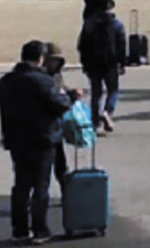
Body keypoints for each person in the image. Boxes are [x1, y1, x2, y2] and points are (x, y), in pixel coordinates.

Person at [0, 41, 78, 245]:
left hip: (17, 139)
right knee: (41, 187)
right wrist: (72, 97)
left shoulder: (7, 81)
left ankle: (19, 230)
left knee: (21, 185)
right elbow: (59, 105)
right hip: (42, 138)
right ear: (41, 58)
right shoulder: (42, 81)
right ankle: (39, 229)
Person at [76, 0, 127, 134]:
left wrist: (84, 63)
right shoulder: (116, 24)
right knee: (113, 90)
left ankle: (95, 122)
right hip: (110, 62)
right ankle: (107, 111)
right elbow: (121, 44)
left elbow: (82, 45)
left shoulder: (89, 24)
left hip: (93, 62)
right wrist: (122, 62)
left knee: (96, 92)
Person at [41, 43, 70, 189]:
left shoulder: (57, 76)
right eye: (53, 60)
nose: (55, 63)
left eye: (58, 61)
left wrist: (70, 95)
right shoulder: (42, 78)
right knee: (41, 171)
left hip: (56, 127)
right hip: (44, 128)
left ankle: (67, 193)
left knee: (61, 165)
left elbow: (61, 92)